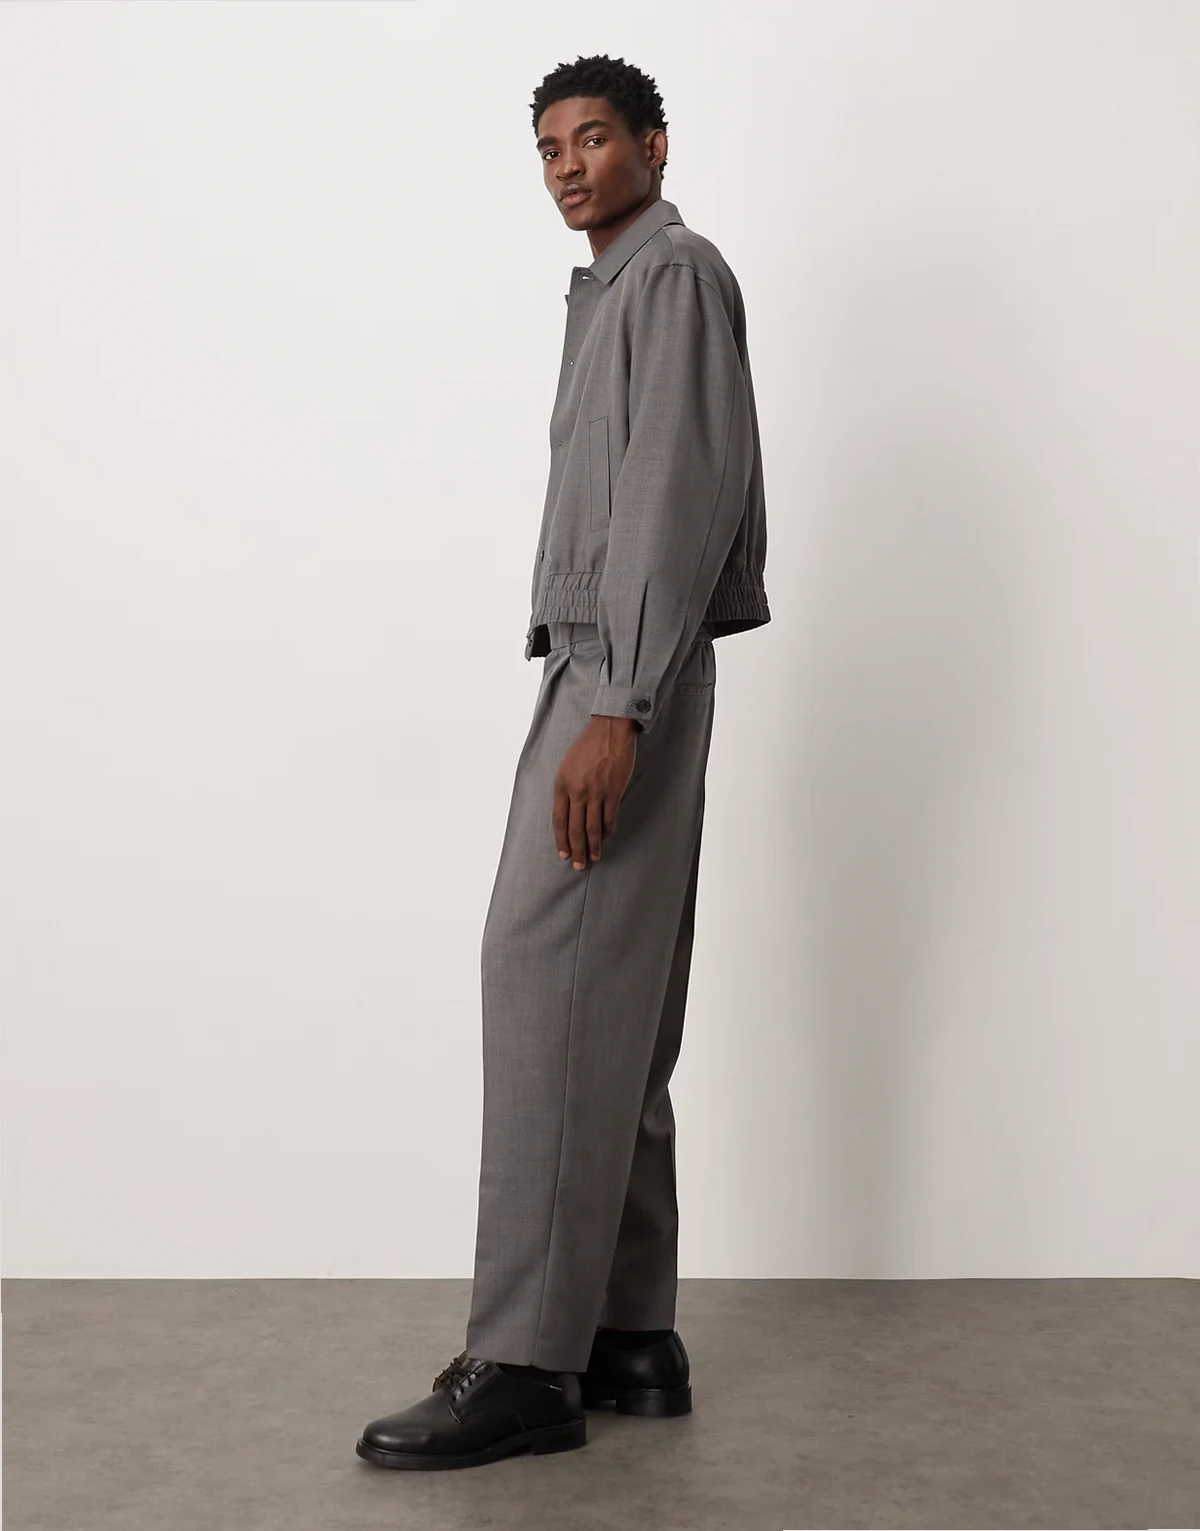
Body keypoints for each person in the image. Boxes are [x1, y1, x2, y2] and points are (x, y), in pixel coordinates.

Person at [356, 51, 770, 1472]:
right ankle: (627, 1332)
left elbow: (671, 491)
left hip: (620, 675)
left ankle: (527, 1362)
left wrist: (621, 702)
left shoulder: (672, 277)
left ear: (655, 145)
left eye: (594, 138)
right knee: (615, 1008)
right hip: (610, 667)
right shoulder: (613, 289)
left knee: (543, 982)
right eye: (548, 148)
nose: (569, 166)